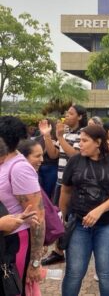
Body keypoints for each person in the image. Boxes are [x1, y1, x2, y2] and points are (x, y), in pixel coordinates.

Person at [59, 125, 109, 296]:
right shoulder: (75, 161)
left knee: (106, 274)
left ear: (98, 142)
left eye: (84, 141)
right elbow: (65, 190)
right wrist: (62, 219)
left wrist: (99, 210)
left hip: (108, 224)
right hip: (78, 224)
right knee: (74, 273)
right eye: (79, 140)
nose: (80, 144)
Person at [0, 116, 45, 294]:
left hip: (15, 242)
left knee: (14, 288)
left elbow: (38, 216)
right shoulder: (4, 163)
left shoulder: (19, 168)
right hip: (4, 239)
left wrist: (35, 262)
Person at [41, 104, 87, 266]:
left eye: (71, 113)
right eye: (66, 113)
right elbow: (53, 154)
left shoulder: (83, 133)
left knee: (70, 218)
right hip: (61, 181)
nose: (67, 115)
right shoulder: (66, 133)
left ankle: (66, 249)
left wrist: (60, 138)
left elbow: (75, 155)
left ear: (80, 117)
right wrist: (47, 136)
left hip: (73, 184)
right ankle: (59, 251)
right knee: (58, 217)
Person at [36, 119, 59, 198]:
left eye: (45, 123)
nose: (42, 125)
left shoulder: (55, 138)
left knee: (47, 193)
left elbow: (52, 154)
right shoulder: (38, 138)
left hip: (51, 167)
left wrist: (47, 136)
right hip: (39, 167)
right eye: (41, 123)